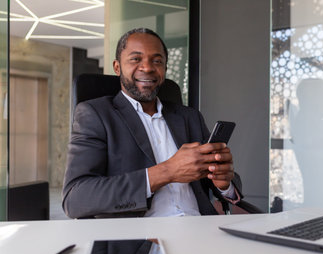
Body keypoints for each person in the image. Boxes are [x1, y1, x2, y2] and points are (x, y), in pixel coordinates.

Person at [62, 28, 242, 219]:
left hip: (202, 230)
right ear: (117, 67)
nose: (147, 67)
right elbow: (75, 198)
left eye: (157, 61)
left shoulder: (190, 117)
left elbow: (225, 184)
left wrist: (224, 184)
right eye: (135, 59)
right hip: (143, 241)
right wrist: (167, 171)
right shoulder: (96, 115)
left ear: (164, 68)